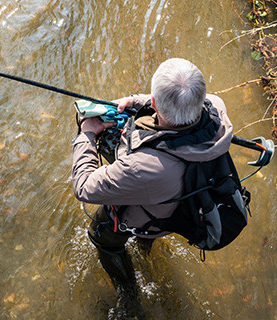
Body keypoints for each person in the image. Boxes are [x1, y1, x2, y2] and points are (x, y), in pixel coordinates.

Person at [70, 58, 234, 318]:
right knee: (150, 231)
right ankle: (146, 249)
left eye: (152, 100)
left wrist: (87, 134)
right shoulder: (217, 108)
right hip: (176, 211)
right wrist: (135, 102)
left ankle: (129, 295)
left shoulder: (143, 168)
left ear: (155, 104)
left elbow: (84, 186)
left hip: (145, 214)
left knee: (103, 239)